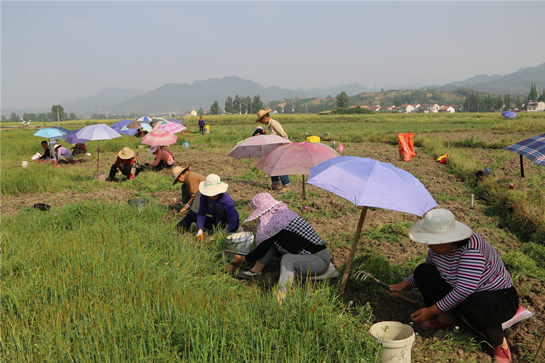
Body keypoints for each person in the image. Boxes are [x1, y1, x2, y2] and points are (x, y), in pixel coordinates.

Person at [389, 209, 520, 363]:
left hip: (497, 297)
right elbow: (428, 269)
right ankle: (447, 319)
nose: (429, 246)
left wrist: (430, 310)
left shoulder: (471, 251)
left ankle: (500, 343)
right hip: (464, 292)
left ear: (449, 239)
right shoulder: (437, 250)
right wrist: (403, 285)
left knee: (474, 304)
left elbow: (463, 291)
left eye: (432, 242)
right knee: (423, 271)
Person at [232, 193, 333, 302]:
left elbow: (261, 250)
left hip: (318, 260)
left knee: (288, 259)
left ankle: (281, 299)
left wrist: (242, 260)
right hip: (310, 257)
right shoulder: (282, 215)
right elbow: (266, 245)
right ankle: (255, 271)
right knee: (270, 241)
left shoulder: (275, 222)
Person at [176, 174, 239, 238]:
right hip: (215, 221)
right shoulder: (204, 196)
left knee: (218, 206)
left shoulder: (227, 200)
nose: (211, 196)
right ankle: (175, 231)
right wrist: (200, 229)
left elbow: (233, 223)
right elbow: (201, 213)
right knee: (191, 215)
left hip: (229, 225)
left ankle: (217, 231)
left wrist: (219, 234)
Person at [256, 110, 290, 193]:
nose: (263, 123)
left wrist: (284, 145)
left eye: (261, 121)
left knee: (280, 166)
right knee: (272, 165)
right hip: (275, 148)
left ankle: (286, 186)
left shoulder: (274, 123)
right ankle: (275, 184)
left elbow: (283, 135)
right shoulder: (270, 125)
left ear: (264, 118)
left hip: (281, 147)